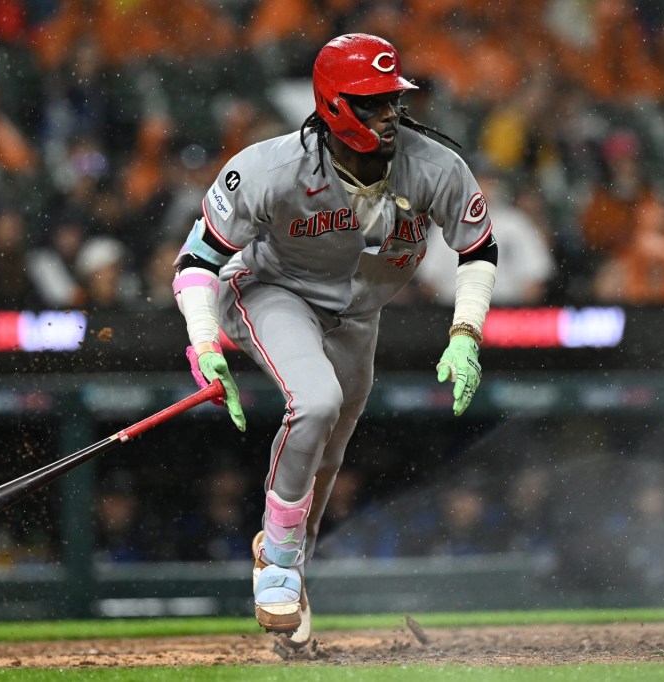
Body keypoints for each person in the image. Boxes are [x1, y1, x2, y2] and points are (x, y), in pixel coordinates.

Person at [169, 34, 497, 646]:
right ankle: (280, 563)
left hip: (357, 314)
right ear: (333, 104)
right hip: (272, 290)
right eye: (371, 103)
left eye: (392, 100)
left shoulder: (434, 165)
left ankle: (290, 575)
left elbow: (478, 249)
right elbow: (196, 261)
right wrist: (205, 339)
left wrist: (465, 332)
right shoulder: (269, 168)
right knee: (314, 401)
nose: (389, 115)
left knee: (324, 463)